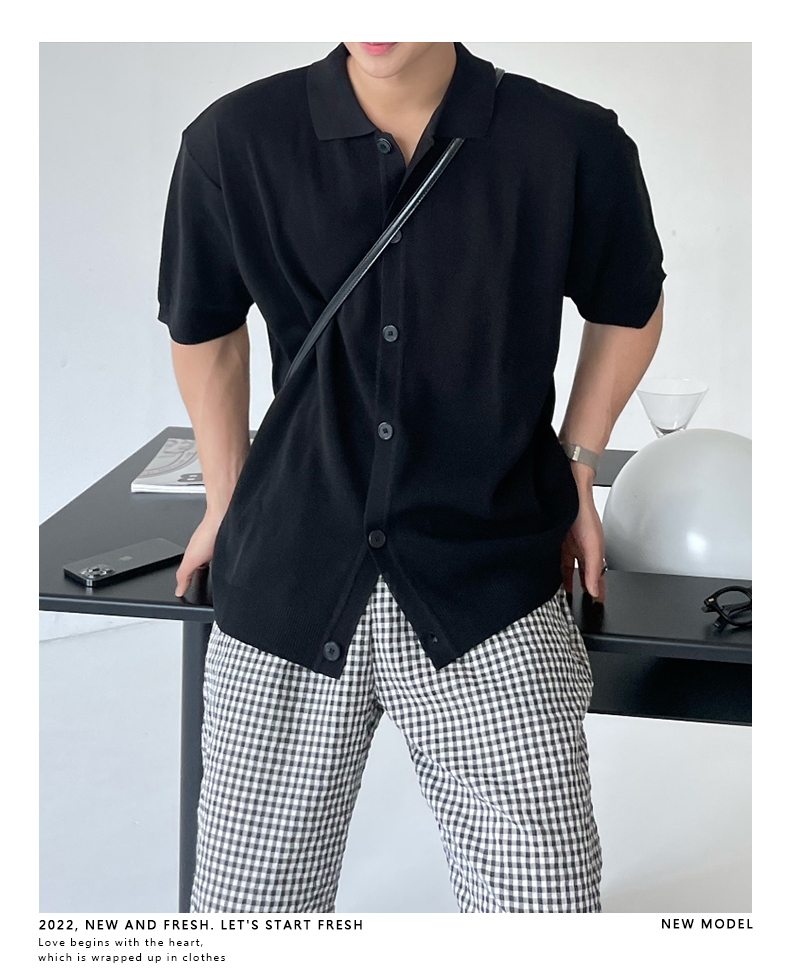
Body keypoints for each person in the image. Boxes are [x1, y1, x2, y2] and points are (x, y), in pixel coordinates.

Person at [158, 41, 665, 914]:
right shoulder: (232, 140)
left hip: (493, 586)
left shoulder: (570, 141)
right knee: (246, 919)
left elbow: (631, 304)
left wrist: (578, 465)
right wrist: (226, 497)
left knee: (543, 915)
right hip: (288, 578)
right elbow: (204, 329)